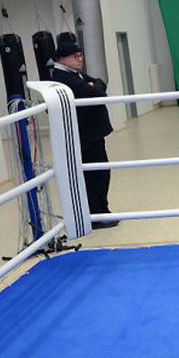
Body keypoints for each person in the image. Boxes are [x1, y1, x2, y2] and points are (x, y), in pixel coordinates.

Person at [52, 41, 119, 229]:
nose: (80, 59)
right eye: (75, 56)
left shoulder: (75, 74)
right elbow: (94, 92)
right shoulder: (63, 78)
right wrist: (93, 86)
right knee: (96, 174)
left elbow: (100, 83)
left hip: (93, 133)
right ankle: (97, 215)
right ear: (62, 59)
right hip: (86, 135)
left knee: (101, 172)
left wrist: (94, 85)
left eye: (80, 55)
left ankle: (101, 211)